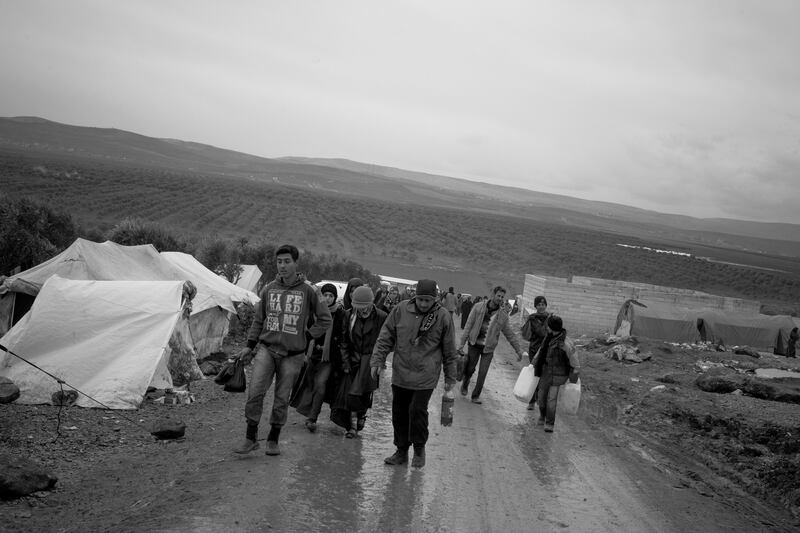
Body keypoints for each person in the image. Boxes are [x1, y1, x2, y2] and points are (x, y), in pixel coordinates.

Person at [233, 244, 332, 456]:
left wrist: (307, 336)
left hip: (293, 355)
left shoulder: (310, 290)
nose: (282, 266)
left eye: (287, 261)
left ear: (296, 263)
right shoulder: (269, 289)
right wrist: (249, 346)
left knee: (281, 398)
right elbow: (258, 320)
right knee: (255, 392)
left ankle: (273, 439)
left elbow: (325, 319)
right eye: (279, 262)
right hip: (267, 350)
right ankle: (250, 438)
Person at [371, 279, 458, 468]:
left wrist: (450, 378)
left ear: (435, 299)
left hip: (426, 375)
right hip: (401, 372)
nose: (424, 304)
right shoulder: (401, 310)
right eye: (421, 300)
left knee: (417, 411)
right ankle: (401, 451)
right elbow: (386, 335)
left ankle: (419, 449)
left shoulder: (442, 316)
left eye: (428, 300)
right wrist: (377, 359)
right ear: (415, 297)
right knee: (399, 412)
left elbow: (450, 350)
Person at [458, 286, 526, 404]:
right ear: (493, 295)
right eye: (498, 295)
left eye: (502, 297)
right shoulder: (478, 307)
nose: (500, 298)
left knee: (483, 373)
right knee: (470, 369)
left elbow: (509, 334)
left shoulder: (503, 315)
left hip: (488, 349)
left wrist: (518, 350)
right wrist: (461, 344)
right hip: (474, 344)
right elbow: (469, 325)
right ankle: (465, 382)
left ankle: (475, 396)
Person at [336, 285, 387, 438]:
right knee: (352, 394)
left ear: (371, 303)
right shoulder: (349, 315)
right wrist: (345, 362)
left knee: (364, 393)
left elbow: (387, 341)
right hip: (353, 360)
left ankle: (361, 415)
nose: (361, 310)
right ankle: (352, 427)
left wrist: (379, 360)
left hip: (370, 361)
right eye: (358, 306)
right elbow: (344, 340)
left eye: (364, 306)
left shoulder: (381, 317)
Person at [301, 283, 346, 433]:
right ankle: (307, 412)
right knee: (309, 385)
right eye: (325, 295)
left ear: (335, 298)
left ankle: (312, 418)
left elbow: (342, 337)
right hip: (311, 355)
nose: (327, 298)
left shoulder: (340, 314)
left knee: (320, 385)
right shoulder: (314, 312)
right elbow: (306, 332)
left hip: (327, 359)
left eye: (331, 296)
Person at [533, 315, 580, 433]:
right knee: (541, 397)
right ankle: (542, 416)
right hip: (545, 373)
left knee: (551, 399)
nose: (546, 327)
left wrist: (574, 376)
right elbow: (541, 351)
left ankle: (549, 423)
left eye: (548, 325)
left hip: (558, 376)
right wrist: (535, 361)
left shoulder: (566, 344)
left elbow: (574, 361)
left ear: (551, 327)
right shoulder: (548, 338)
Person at [521, 295, 550, 410]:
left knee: (543, 376)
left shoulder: (550, 318)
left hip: (547, 350)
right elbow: (541, 332)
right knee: (534, 374)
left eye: (543, 304)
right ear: (535, 306)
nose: (541, 307)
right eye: (539, 305)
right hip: (534, 350)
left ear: (545, 305)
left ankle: (540, 399)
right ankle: (532, 401)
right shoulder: (533, 318)